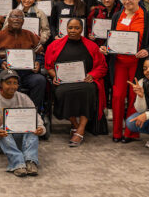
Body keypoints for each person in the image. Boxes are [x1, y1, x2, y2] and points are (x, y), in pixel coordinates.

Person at [99, 0, 149, 143]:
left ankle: (131, 132)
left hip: (137, 64)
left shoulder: (148, 17)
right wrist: (106, 46)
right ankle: (117, 132)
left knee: (134, 96)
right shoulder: (117, 16)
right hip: (119, 62)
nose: (127, 1)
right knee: (118, 97)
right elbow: (112, 37)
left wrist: (147, 50)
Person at [45, 18, 108, 146]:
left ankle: (80, 129)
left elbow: (102, 66)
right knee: (62, 92)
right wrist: (54, 76)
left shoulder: (92, 45)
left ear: (82, 29)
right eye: (70, 28)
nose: (73, 31)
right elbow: (48, 66)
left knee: (88, 90)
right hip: (64, 82)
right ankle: (75, 124)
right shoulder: (55, 45)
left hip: (85, 81)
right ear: (66, 29)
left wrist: (92, 75)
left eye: (77, 28)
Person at [0, 69, 46, 177]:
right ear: (1, 84)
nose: (12, 86)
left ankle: (30, 161)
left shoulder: (24, 98)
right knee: (4, 126)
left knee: (31, 125)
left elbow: (36, 117)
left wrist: (40, 128)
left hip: (20, 141)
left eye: (15, 83)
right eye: (8, 83)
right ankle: (18, 164)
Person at [0, 9, 46, 113]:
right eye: (14, 17)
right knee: (12, 81)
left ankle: (33, 112)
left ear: (23, 21)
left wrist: (38, 62)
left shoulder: (30, 35)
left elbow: (40, 54)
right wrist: (0, 62)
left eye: (20, 17)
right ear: (8, 19)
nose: (17, 20)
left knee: (40, 80)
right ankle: (13, 114)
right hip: (7, 72)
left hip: (28, 73)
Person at [86, 0, 122, 121]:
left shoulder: (121, 11)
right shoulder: (95, 11)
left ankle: (113, 107)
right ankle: (104, 107)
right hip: (99, 51)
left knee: (114, 79)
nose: (106, 0)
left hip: (116, 51)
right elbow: (88, 29)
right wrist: (91, 36)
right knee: (103, 80)